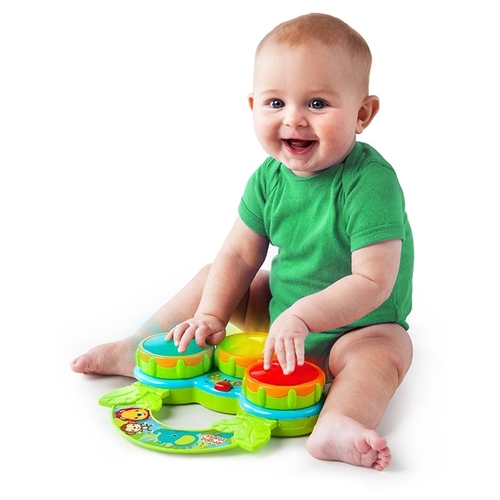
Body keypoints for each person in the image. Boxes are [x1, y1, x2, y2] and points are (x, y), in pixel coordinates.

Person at [71, 13, 414, 471]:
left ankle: (339, 421)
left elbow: (373, 281)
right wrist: (212, 315)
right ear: (253, 105)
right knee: (214, 275)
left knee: (387, 351)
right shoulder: (268, 179)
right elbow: (238, 255)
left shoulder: (370, 182)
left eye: (317, 103)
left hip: (357, 328)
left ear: (362, 114)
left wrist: (304, 317)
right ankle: (139, 344)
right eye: (275, 102)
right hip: (279, 317)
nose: (293, 118)